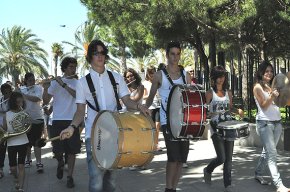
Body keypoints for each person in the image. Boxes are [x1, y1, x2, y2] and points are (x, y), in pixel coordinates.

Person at [59, 39, 149, 192]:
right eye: (95, 53)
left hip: (115, 133)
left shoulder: (116, 78)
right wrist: (72, 127)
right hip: (93, 135)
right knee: (96, 181)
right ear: (90, 57)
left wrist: (139, 106)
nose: (99, 56)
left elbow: (127, 101)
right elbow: (80, 111)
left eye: (102, 53)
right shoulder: (82, 83)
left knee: (112, 181)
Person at [145, 41, 192, 192]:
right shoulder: (159, 75)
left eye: (178, 54)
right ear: (166, 55)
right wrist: (143, 109)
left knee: (181, 160)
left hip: (184, 122)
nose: (175, 57)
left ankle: (174, 187)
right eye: (172, 54)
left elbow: (191, 98)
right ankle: (168, 188)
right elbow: (151, 97)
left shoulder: (186, 75)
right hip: (167, 121)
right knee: (173, 158)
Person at [203, 65, 243, 192]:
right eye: (218, 77)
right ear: (214, 78)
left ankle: (228, 184)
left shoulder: (228, 93)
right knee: (222, 158)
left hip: (229, 127)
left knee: (229, 159)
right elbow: (203, 111)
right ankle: (208, 169)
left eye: (223, 76)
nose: (221, 79)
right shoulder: (209, 93)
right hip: (216, 129)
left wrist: (238, 111)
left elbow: (229, 109)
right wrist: (207, 114)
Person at [42, 56, 80, 188]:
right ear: (64, 68)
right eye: (71, 67)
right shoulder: (54, 82)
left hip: (72, 120)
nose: (73, 69)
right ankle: (60, 162)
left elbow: (77, 96)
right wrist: (46, 88)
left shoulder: (78, 82)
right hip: (57, 120)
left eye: (75, 66)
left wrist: (63, 84)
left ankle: (70, 177)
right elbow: (46, 101)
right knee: (57, 150)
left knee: (72, 151)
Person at [253, 61, 290, 192]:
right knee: (272, 154)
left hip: (277, 122)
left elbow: (283, 103)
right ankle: (279, 185)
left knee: (267, 151)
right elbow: (263, 106)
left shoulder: (273, 86)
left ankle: (258, 173)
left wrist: (285, 94)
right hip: (264, 124)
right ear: (261, 73)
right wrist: (272, 96)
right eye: (266, 71)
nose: (269, 73)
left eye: (271, 71)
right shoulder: (257, 87)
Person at [2, 92, 29, 192]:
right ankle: (17, 178)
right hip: (11, 143)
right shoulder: (7, 114)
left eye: (22, 102)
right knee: (13, 168)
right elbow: (4, 129)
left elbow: (28, 129)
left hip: (23, 142)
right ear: (13, 102)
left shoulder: (24, 113)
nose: (20, 104)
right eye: (18, 102)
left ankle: (21, 187)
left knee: (21, 165)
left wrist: (24, 125)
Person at [21, 73, 44, 173]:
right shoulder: (21, 89)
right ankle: (28, 160)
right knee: (27, 143)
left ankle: (38, 162)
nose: (32, 82)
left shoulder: (38, 88)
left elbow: (37, 99)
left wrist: (23, 95)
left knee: (37, 142)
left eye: (33, 80)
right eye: (30, 80)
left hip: (37, 118)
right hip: (25, 119)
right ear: (25, 81)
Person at [143, 67, 162, 151]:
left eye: (154, 72)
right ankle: (150, 143)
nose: (152, 75)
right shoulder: (144, 83)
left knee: (157, 125)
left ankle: (156, 143)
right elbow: (143, 96)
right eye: (151, 73)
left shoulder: (158, 82)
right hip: (149, 107)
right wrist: (152, 94)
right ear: (148, 74)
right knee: (151, 126)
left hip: (158, 105)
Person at [0, 83, 13, 178]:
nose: (7, 94)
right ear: (2, 92)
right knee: (1, 149)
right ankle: (0, 169)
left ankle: (12, 167)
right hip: (1, 128)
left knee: (12, 148)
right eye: (5, 92)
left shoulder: (13, 101)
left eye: (9, 91)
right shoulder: (0, 100)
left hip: (12, 127)